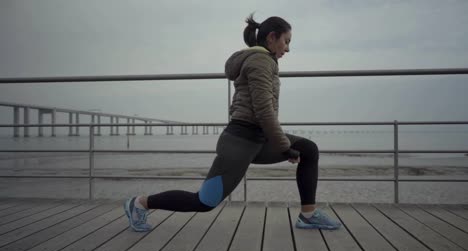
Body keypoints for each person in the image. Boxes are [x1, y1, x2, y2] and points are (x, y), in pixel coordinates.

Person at [124, 14, 341, 232]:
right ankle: (140, 203)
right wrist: (284, 148)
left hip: (257, 140)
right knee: (203, 202)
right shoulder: (261, 61)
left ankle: (308, 215)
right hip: (240, 143)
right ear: (272, 38)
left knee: (309, 149)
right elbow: (264, 111)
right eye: (287, 41)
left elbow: (253, 109)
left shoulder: (263, 61)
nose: (288, 48)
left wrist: (281, 145)